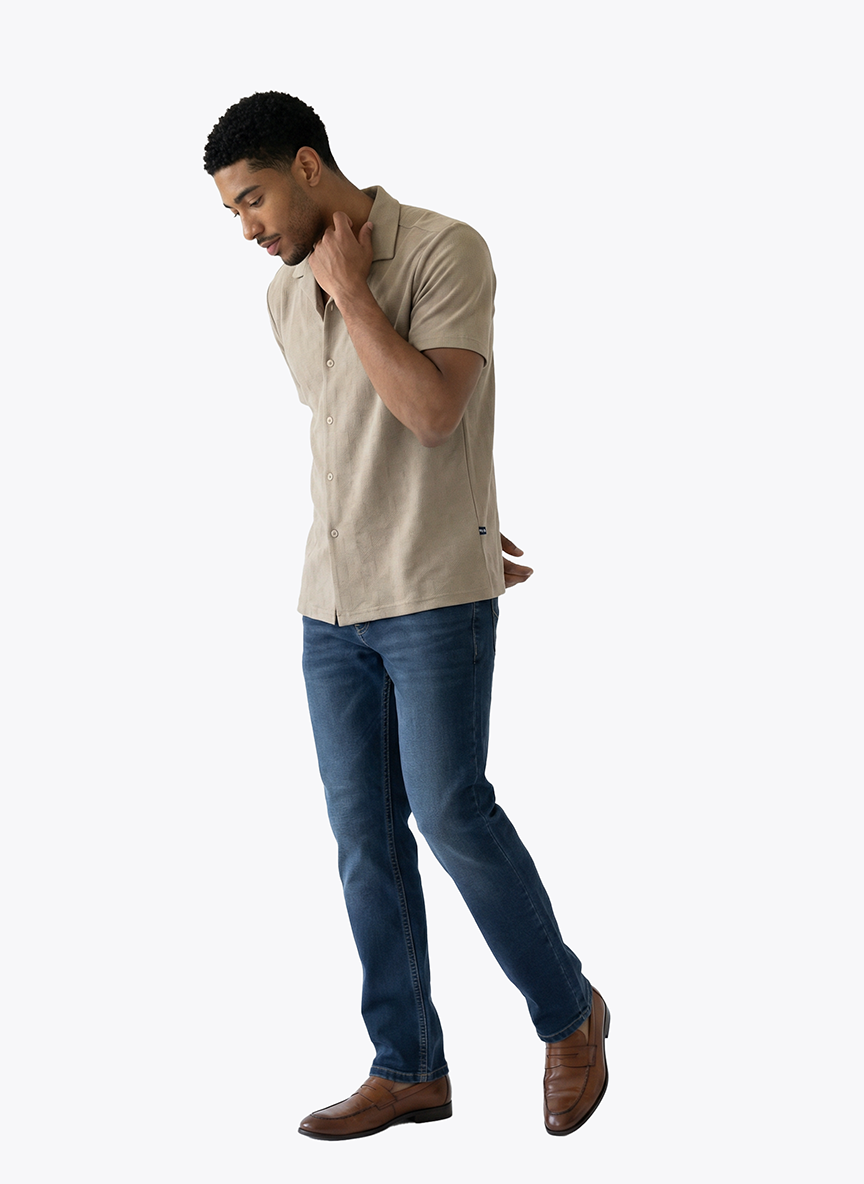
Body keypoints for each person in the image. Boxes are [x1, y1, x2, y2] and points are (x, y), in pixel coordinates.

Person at [204, 91, 609, 1140]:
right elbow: (355, 432)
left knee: (451, 809)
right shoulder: (283, 297)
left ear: (307, 165)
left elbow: (432, 412)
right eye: (232, 211)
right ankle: (409, 1065)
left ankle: (568, 1012)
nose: (246, 229)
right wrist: (466, 510)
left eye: (253, 199)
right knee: (364, 840)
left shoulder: (443, 250)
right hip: (330, 602)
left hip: (431, 596)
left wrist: (352, 290)